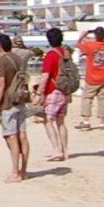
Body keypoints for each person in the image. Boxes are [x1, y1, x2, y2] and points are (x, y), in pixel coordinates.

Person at [0, 32, 32, 182]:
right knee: (23, 136)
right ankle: (24, 171)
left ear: (0, 46)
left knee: (11, 137)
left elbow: (2, 84)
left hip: (8, 102)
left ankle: (15, 172)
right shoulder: (18, 58)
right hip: (20, 99)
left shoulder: (3, 60)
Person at [39, 27, 71, 162]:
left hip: (53, 90)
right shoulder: (66, 53)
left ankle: (56, 150)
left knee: (48, 120)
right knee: (61, 122)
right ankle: (65, 151)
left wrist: (40, 92)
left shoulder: (50, 55)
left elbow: (46, 76)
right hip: (65, 91)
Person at [75, 27, 104, 130]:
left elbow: (78, 43)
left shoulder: (90, 46)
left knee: (87, 98)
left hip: (93, 77)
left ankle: (86, 121)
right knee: (102, 100)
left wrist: (84, 34)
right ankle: (101, 123)